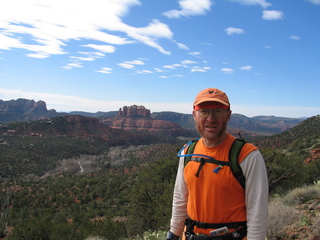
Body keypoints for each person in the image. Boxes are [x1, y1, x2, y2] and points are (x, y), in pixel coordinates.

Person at [166, 88, 268, 240]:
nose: (210, 119)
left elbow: (257, 211)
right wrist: (174, 233)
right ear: (194, 115)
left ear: (228, 115)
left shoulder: (247, 155)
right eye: (204, 111)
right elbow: (181, 197)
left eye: (218, 111)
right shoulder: (188, 152)